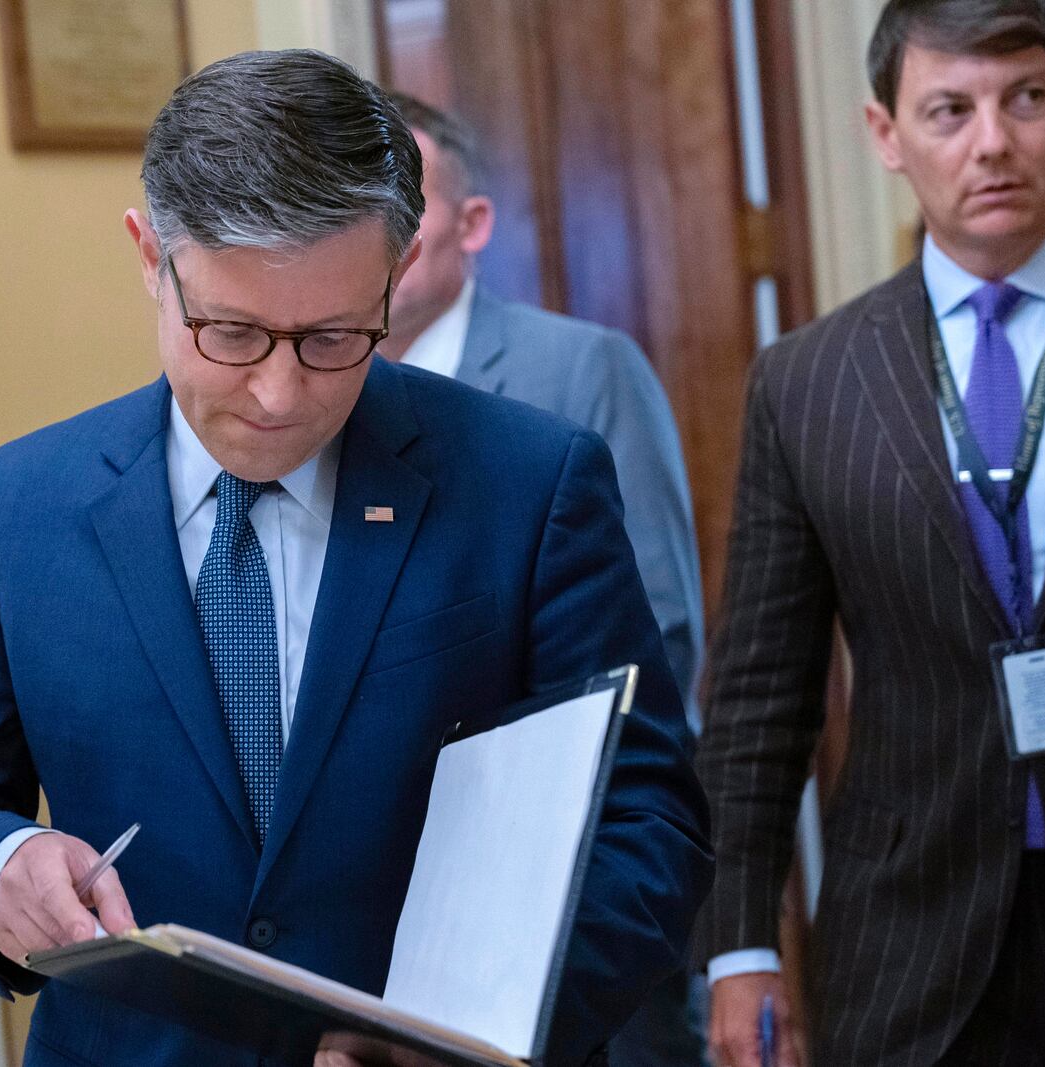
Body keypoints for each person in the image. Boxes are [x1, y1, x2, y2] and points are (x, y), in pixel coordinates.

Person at [0, 49, 711, 1067]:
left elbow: (648, 821)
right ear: (149, 257)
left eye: (330, 338)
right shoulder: (20, 509)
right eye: (229, 331)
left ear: (394, 280)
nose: (277, 393)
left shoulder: (530, 483)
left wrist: (476, 1033)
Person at [696, 2, 1045, 1064]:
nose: (992, 140)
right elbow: (758, 697)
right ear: (884, 134)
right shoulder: (809, 381)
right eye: (949, 109)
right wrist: (740, 945)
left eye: (1027, 99)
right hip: (912, 938)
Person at [377, 95, 710, 1067]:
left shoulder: (580, 367)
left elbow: (665, 622)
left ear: (471, 224)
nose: (378, 229)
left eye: (409, 201)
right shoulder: (316, 395)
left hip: (566, 883)